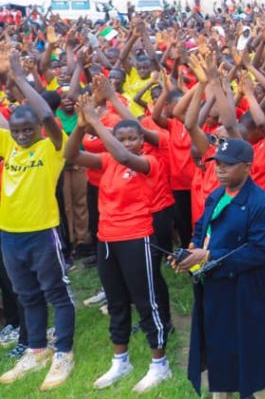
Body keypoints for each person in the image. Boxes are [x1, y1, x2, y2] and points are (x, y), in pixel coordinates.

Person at [64, 96, 171, 392]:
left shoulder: (149, 162)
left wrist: (96, 122)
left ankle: (159, 364)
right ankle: (120, 360)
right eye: (121, 138)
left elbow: (124, 157)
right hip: (107, 239)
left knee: (145, 300)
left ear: (142, 141)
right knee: (116, 301)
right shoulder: (106, 160)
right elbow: (71, 155)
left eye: (132, 137)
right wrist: (81, 126)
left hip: (136, 236)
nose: (126, 143)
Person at [177, 137, 265, 398]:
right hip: (216, 289)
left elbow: (258, 252)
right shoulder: (215, 196)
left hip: (247, 292)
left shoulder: (261, 204)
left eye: (228, 164)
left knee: (254, 355)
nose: (220, 169)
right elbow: (201, 229)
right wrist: (190, 252)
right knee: (220, 350)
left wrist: (209, 255)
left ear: (247, 167)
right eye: (218, 163)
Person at [0, 50, 75, 391]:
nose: (21, 136)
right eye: (16, 131)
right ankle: (37, 349)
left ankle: (64, 353)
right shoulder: (10, 146)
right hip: (9, 234)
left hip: (42, 233)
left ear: (39, 130)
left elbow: (46, 114)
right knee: (26, 294)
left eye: (27, 130)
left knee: (56, 293)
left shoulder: (50, 148)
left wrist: (19, 77)